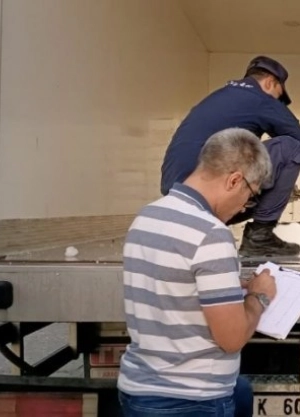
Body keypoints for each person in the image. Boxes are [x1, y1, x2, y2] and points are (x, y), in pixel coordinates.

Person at [118, 128, 278, 417]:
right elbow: (231, 339)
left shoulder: (147, 216)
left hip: (139, 391)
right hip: (191, 401)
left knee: (242, 391)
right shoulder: (210, 233)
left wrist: (225, 287)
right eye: (250, 195)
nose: (244, 207)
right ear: (234, 180)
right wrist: (259, 296)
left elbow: (173, 287)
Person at [161, 56, 300, 257]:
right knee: (290, 148)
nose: (278, 103)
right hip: (208, 199)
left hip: (176, 198)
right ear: (270, 82)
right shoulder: (260, 99)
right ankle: (260, 236)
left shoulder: (217, 98)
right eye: (279, 97)